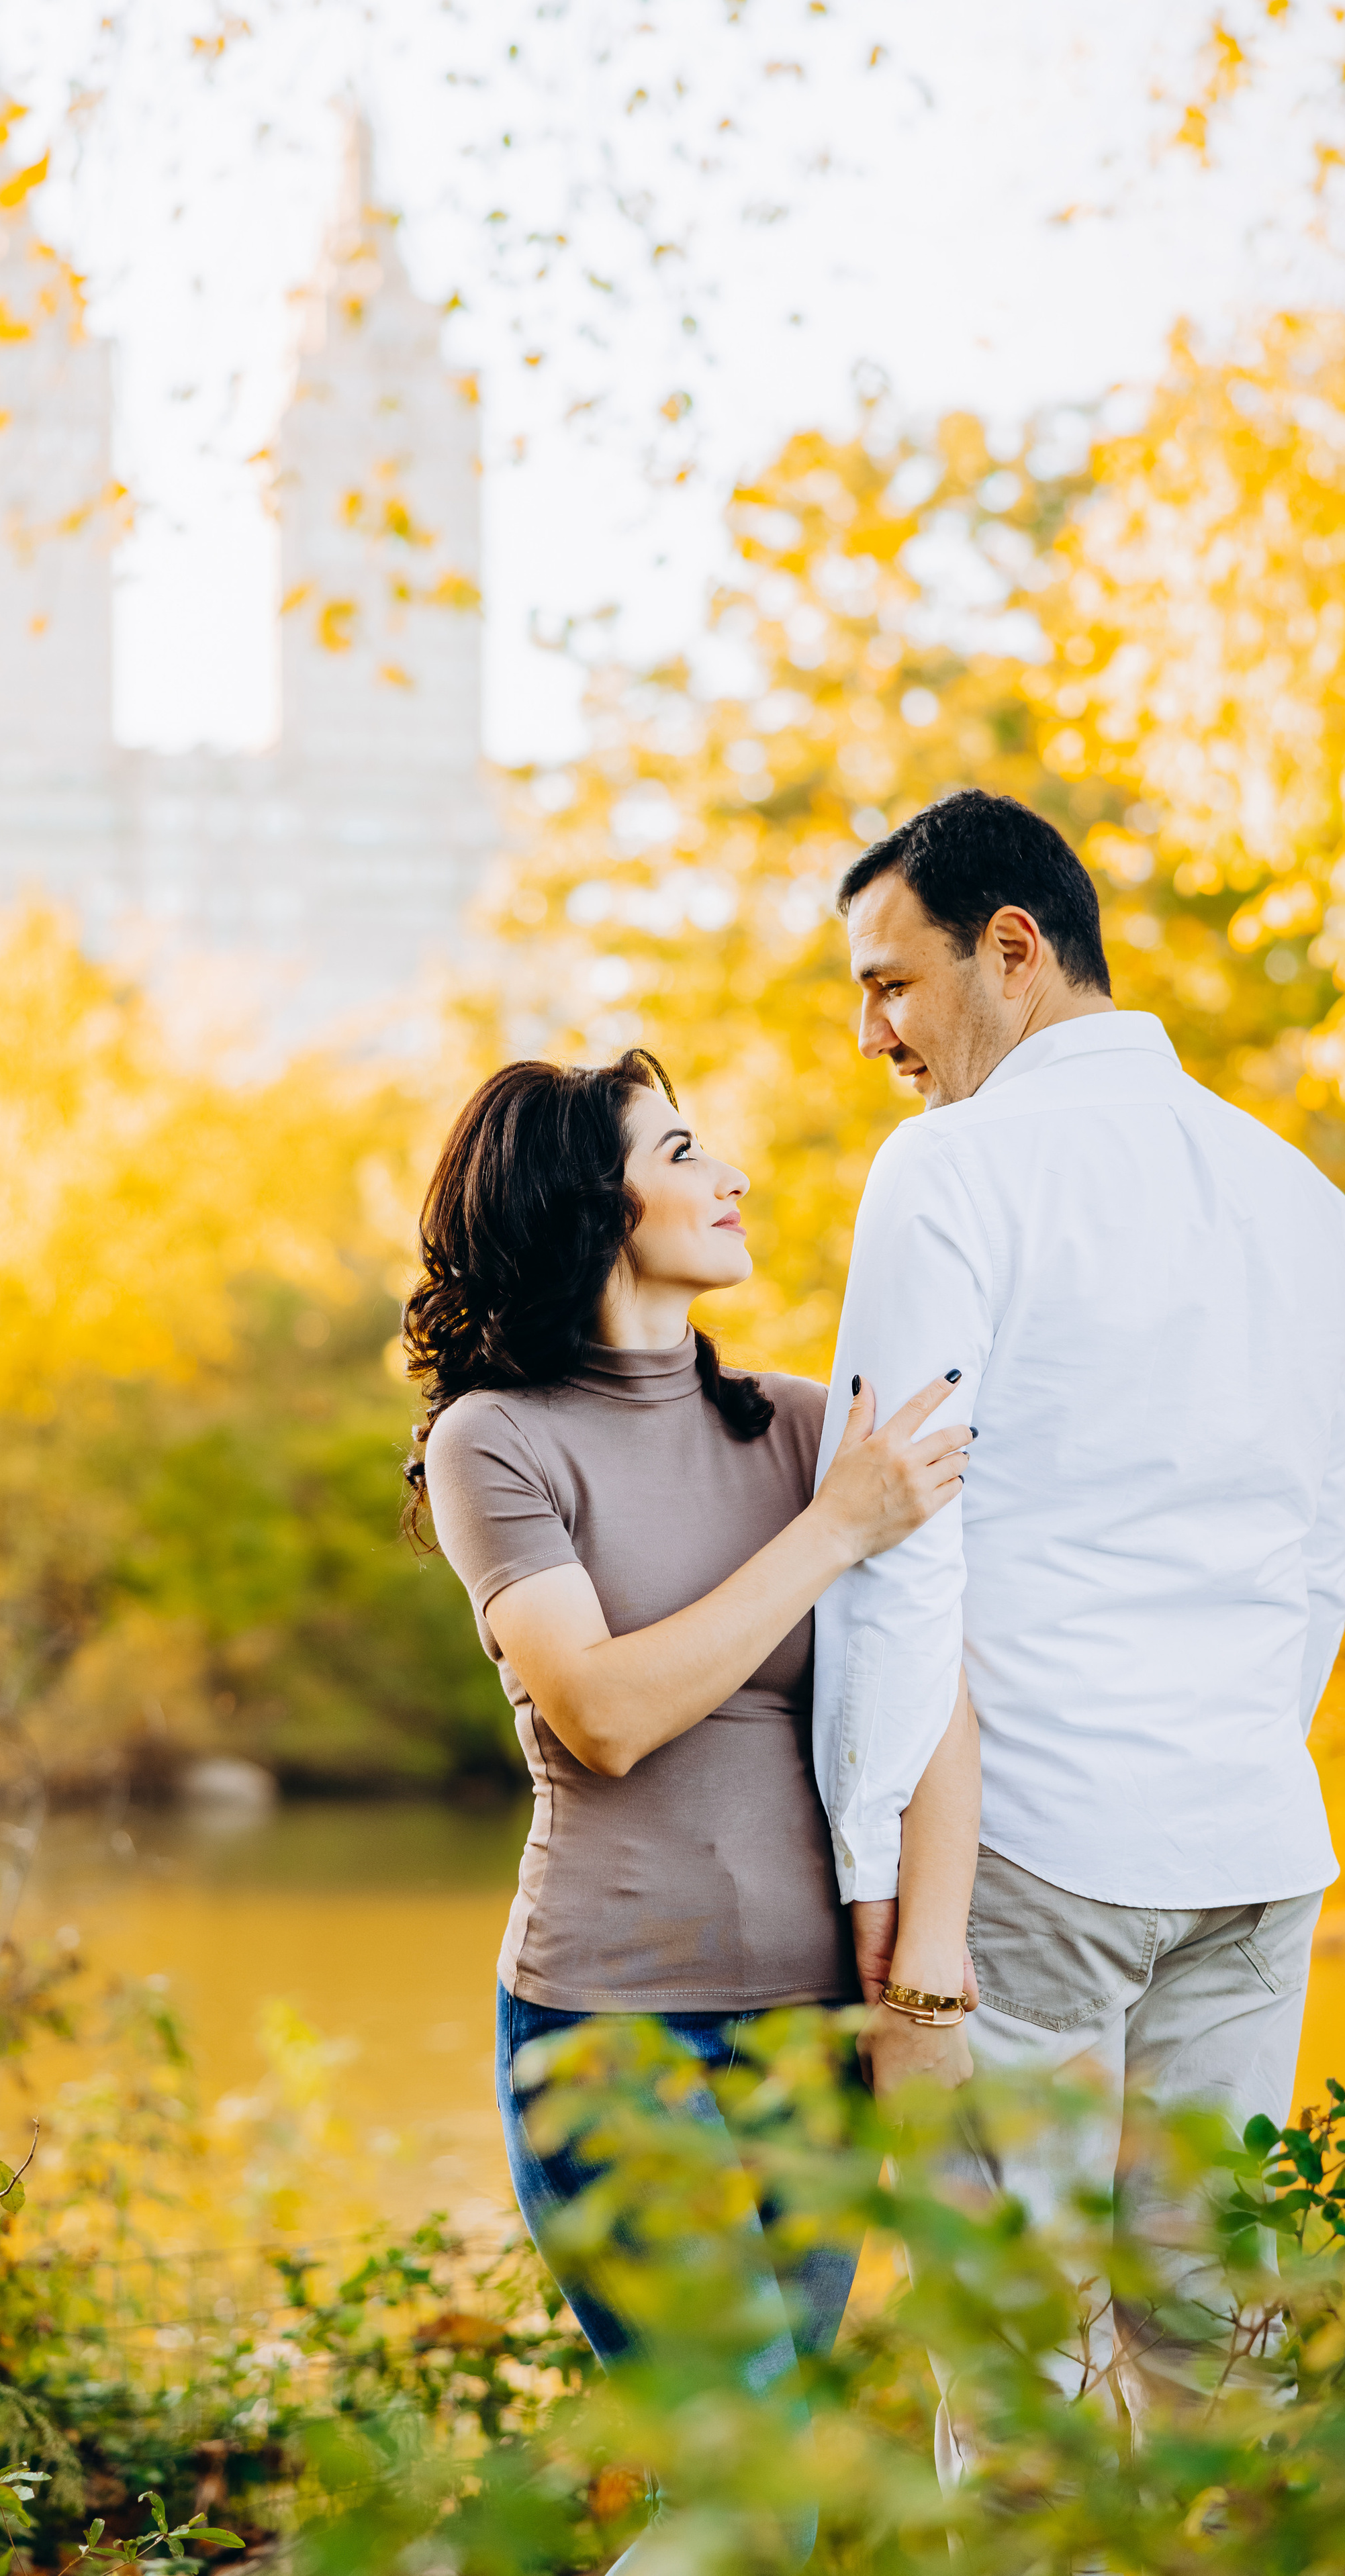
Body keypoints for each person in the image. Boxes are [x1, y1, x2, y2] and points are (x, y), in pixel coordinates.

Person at [811, 787, 1345, 2457]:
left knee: (1014, 2383)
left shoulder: (952, 1166)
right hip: (1254, 1838)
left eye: (890, 982)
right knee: (1218, 2352)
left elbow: (892, 1536)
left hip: (1033, 1848)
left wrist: (872, 1873)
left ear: (1010, 948)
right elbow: (1314, 1554)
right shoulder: (1298, 1195)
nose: (872, 1034)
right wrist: (1241, 1744)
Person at [403, 1047, 975, 2565]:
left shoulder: (799, 1422)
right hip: (608, 2031)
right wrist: (834, 1530)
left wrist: (924, 1978)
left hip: (811, 2041)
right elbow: (604, 1713)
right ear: (590, 1202)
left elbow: (935, 1701)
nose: (733, 1176)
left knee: (765, 2486)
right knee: (749, 2496)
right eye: (684, 1149)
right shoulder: (494, 1438)